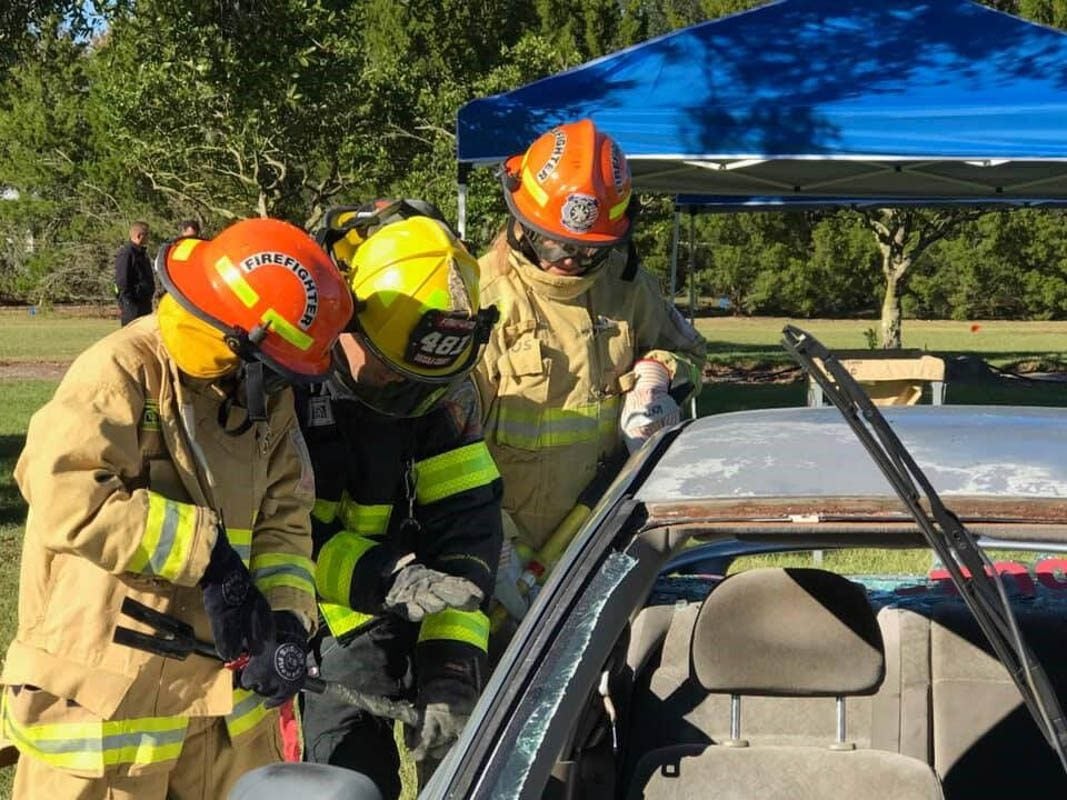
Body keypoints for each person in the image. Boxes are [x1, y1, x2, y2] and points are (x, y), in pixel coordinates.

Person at [0, 218, 354, 799]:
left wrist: (288, 617)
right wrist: (205, 554)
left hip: (220, 711)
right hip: (109, 704)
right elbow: (65, 493)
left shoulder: (268, 398)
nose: (287, 387)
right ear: (239, 341)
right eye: (280, 370)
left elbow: (285, 518)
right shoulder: (122, 369)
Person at [298, 204, 503, 800]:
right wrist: (380, 577)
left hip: (413, 604)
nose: (408, 392)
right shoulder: (288, 386)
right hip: (325, 619)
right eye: (393, 372)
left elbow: (467, 535)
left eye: (426, 381)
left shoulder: (438, 394)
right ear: (345, 322)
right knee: (346, 778)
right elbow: (270, 535)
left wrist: (452, 670)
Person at [475, 119, 707, 622]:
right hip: (504, 562)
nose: (568, 260)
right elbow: (447, 448)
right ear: (519, 214)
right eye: (551, 242)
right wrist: (493, 546)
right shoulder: (481, 302)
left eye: (587, 250)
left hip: (605, 543)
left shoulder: (627, 289)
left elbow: (691, 354)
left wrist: (658, 376)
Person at [114, 221, 155, 325]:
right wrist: (128, 302)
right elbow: (122, 281)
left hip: (144, 303)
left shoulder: (142, 253)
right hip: (133, 306)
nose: (149, 238)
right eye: (147, 235)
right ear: (139, 236)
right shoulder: (127, 253)